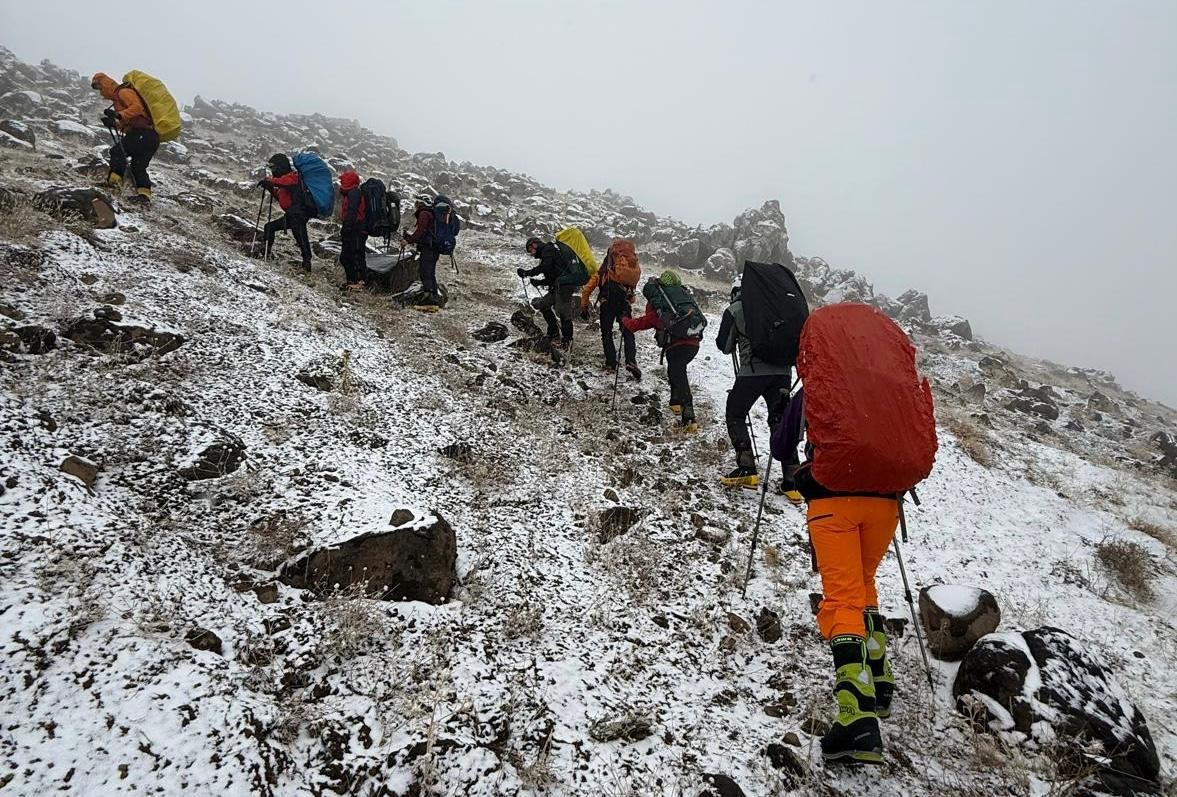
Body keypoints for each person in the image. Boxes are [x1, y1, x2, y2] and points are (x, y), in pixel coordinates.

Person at [776, 388, 897, 765]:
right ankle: (879, 681)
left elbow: (782, 444)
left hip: (833, 502)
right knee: (863, 583)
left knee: (842, 598)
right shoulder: (882, 389)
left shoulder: (818, 384)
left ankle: (856, 719)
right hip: (886, 500)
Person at [715, 278, 802, 501]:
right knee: (781, 420)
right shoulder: (778, 307)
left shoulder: (735, 309)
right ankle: (792, 480)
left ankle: (747, 468)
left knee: (735, 413)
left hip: (752, 372)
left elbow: (724, 346)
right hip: (783, 372)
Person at [622, 271, 700, 433]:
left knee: (678, 374)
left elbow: (644, 321)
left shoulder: (663, 306)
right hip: (693, 343)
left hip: (676, 345)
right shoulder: (681, 301)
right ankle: (675, 403)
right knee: (676, 371)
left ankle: (689, 418)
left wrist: (625, 321)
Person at [90, 72, 159, 203]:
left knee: (117, 152)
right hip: (151, 137)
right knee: (138, 167)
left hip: (143, 134)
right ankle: (144, 196)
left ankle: (114, 184)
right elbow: (131, 122)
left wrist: (118, 115)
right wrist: (114, 123)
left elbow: (137, 108)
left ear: (105, 84)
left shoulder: (123, 92)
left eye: (100, 88)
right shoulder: (118, 99)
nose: (100, 93)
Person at [580, 240, 641, 379]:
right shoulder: (628, 270)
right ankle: (631, 361)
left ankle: (611, 364)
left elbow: (587, 290)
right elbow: (632, 297)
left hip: (607, 304)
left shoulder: (603, 272)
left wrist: (584, 307)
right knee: (628, 332)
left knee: (606, 333)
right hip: (624, 305)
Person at [518, 237, 576, 348]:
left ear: (534, 245)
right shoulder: (548, 252)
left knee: (564, 313)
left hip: (564, 286)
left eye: (530, 250)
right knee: (543, 304)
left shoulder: (547, 250)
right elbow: (552, 275)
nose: (531, 254)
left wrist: (527, 273)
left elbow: (545, 267)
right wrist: (539, 282)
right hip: (557, 286)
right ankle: (553, 334)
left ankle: (567, 342)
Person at [258, 154, 313, 271]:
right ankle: (265, 253)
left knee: (301, 238)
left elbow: (284, 182)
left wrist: (270, 181)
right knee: (269, 227)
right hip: (292, 215)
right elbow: (281, 198)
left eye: (273, 168)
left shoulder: (293, 177)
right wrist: (270, 188)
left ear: (280, 167)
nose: (272, 171)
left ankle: (307, 265)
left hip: (298, 215)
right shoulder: (285, 180)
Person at [403, 194, 441, 305]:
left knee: (425, 272)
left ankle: (428, 298)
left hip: (428, 248)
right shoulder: (431, 213)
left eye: (416, 202)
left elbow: (421, 231)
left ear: (421, 203)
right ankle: (434, 298)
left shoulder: (424, 213)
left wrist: (408, 240)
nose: (415, 205)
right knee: (431, 272)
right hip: (434, 247)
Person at [338, 170, 368, 290]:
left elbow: (352, 211)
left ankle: (360, 283)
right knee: (346, 256)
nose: (341, 182)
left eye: (343, 180)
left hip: (357, 228)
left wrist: (347, 227)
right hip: (354, 228)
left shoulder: (354, 193)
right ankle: (352, 280)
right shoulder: (351, 193)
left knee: (356, 255)